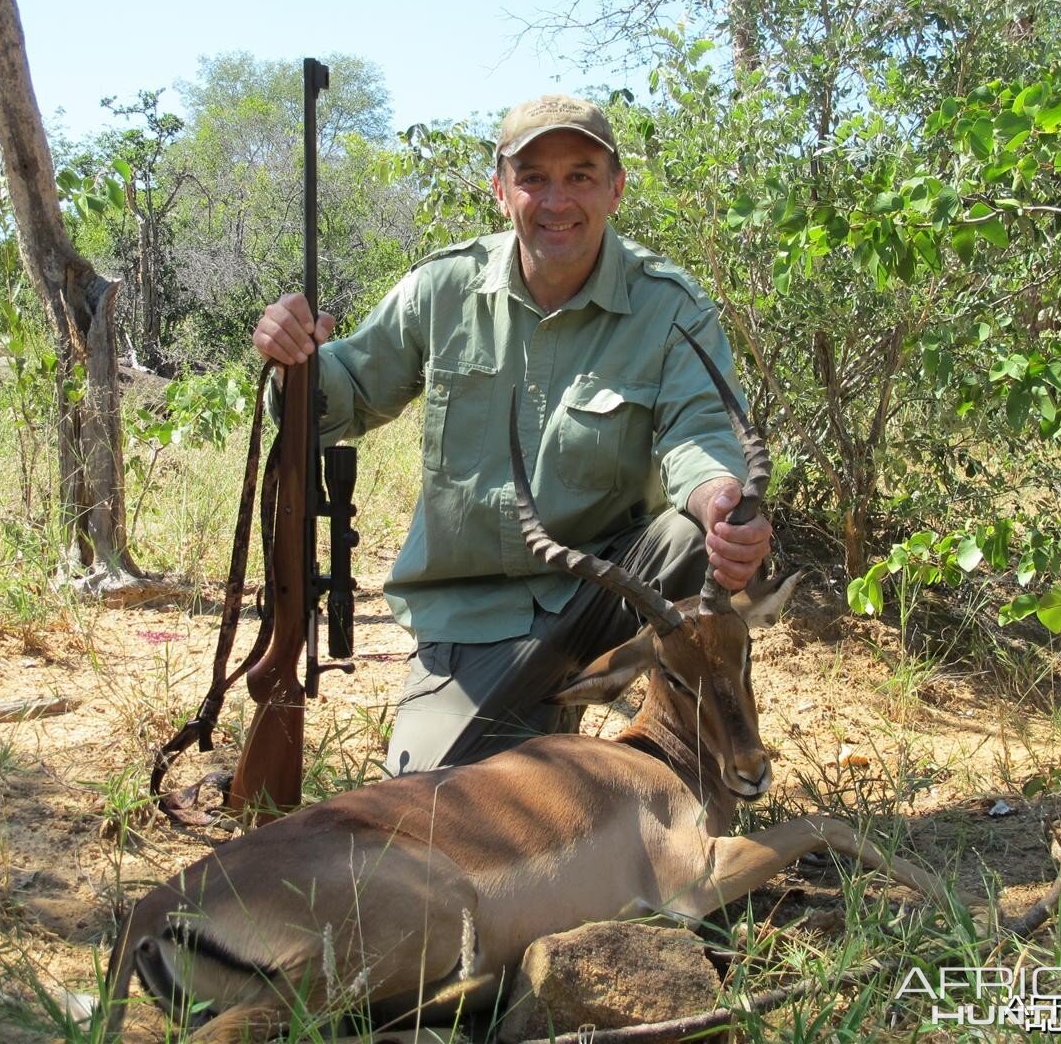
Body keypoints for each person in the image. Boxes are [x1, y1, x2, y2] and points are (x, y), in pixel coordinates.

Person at [253, 95, 772, 775]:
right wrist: (293, 361)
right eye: (533, 178)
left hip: (605, 596)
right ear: (501, 192)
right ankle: (538, 724)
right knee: (432, 811)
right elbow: (339, 400)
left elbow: (698, 433)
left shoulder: (668, 304)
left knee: (692, 543)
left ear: (615, 189)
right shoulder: (440, 287)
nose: (557, 200)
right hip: (473, 623)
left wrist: (721, 499)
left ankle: (700, 780)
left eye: (581, 175)